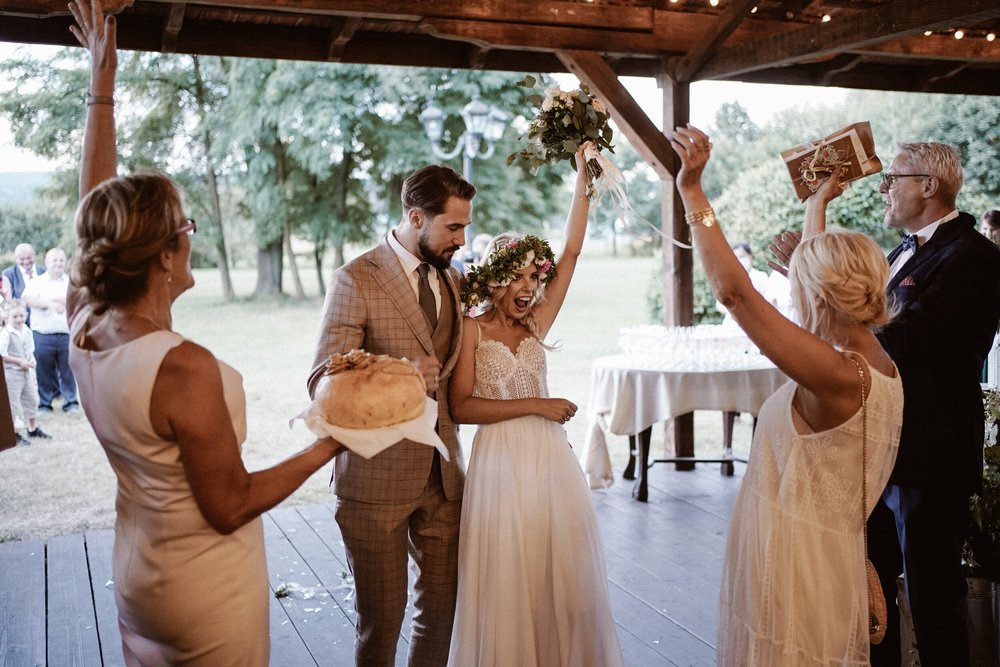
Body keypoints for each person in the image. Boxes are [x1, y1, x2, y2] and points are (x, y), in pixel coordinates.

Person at [66, 2, 343, 663]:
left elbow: (95, 200)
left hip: (139, 571)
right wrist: (336, 441)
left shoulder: (86, 323)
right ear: (165, 256)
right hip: (204, 585)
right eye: (186, 228)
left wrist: (102, 87)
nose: (193, 236)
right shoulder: (180, 365)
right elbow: (230, 503)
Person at [668, 124, 904, 665]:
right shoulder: (871, 360)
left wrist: (693, 192)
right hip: (822, 552)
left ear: (817, 293)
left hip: (796, 565)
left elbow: (735, 294)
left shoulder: (837, 374)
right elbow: (814, 319)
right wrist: (816, 206)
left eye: (799, 279)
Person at [803, 144, 1000, 666]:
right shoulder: (899, 252)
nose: (883, 188)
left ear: (929, 186)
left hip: (931, 452)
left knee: (933, 597)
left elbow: (906, 339)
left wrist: (832, 312)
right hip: (879, 445)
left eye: (892, 178)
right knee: (870, 592)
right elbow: (870, 322)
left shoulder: (974, 258)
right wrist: (816, 292)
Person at [446, 148, 624, 666]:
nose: (528, 288)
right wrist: (537, 405)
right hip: (500, 463)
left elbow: (572, 251)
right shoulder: (472, 329)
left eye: (533, 277)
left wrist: (583, 177)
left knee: (560, 575)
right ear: (496, 279)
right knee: (510, 574)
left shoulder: (536, 323)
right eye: (518, 277)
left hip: (550, 462)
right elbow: (460, 407)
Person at [307, 163, 473, 666]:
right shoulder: (356, 278)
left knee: (440, 617)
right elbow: (322, 380)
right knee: (382, 624)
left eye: (465, 227)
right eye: (453, 227)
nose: (462, 240)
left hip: (444, 477)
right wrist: (399, 372)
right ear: (416, 217)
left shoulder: (454, 278)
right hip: (374, 480)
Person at [22, 248, 79, 413]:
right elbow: (27, 299)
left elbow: (78, 301)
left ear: (65, 263)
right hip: (42, 334)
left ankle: (71, 402)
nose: (58, 263)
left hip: (66, 333)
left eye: (61, 260)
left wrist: (59, 299)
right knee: (43, 370)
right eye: (54, 260)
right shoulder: (37, 282)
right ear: (46, 262)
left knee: (68, 369)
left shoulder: (71, 282)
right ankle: (45, 403)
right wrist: (49, 303)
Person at [0, 300, 50, 445]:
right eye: (15, 316)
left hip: (26, 372)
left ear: (26, 315)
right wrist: (19, 361)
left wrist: (31, 360)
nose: (19, 319)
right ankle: (14, 434)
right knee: (13, 404)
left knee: (32, 400)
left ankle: (32, 429)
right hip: (11, 374)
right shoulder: (6, 333)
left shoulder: (27, 330)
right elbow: (2, 355)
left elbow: (29, 351)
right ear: (7, 316)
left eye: (21, 316)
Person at [716, 242, 769, 326]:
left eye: (742, 256)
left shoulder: (761, 277)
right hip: (731, 324)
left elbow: (766, 302)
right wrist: (734, 311)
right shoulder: (728, 278)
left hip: (755, 323)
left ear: (750, 256)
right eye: (735, 257)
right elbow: (719, 305)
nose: (739, 260)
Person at [3, 243, 44, 324]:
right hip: (20, 322)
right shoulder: (8, 274)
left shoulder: (43, 271)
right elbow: (7, 301)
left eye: (29, 258)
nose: (26, 261)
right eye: (22, 259)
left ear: (34, 255)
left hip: (43, 320)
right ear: (16, 259)